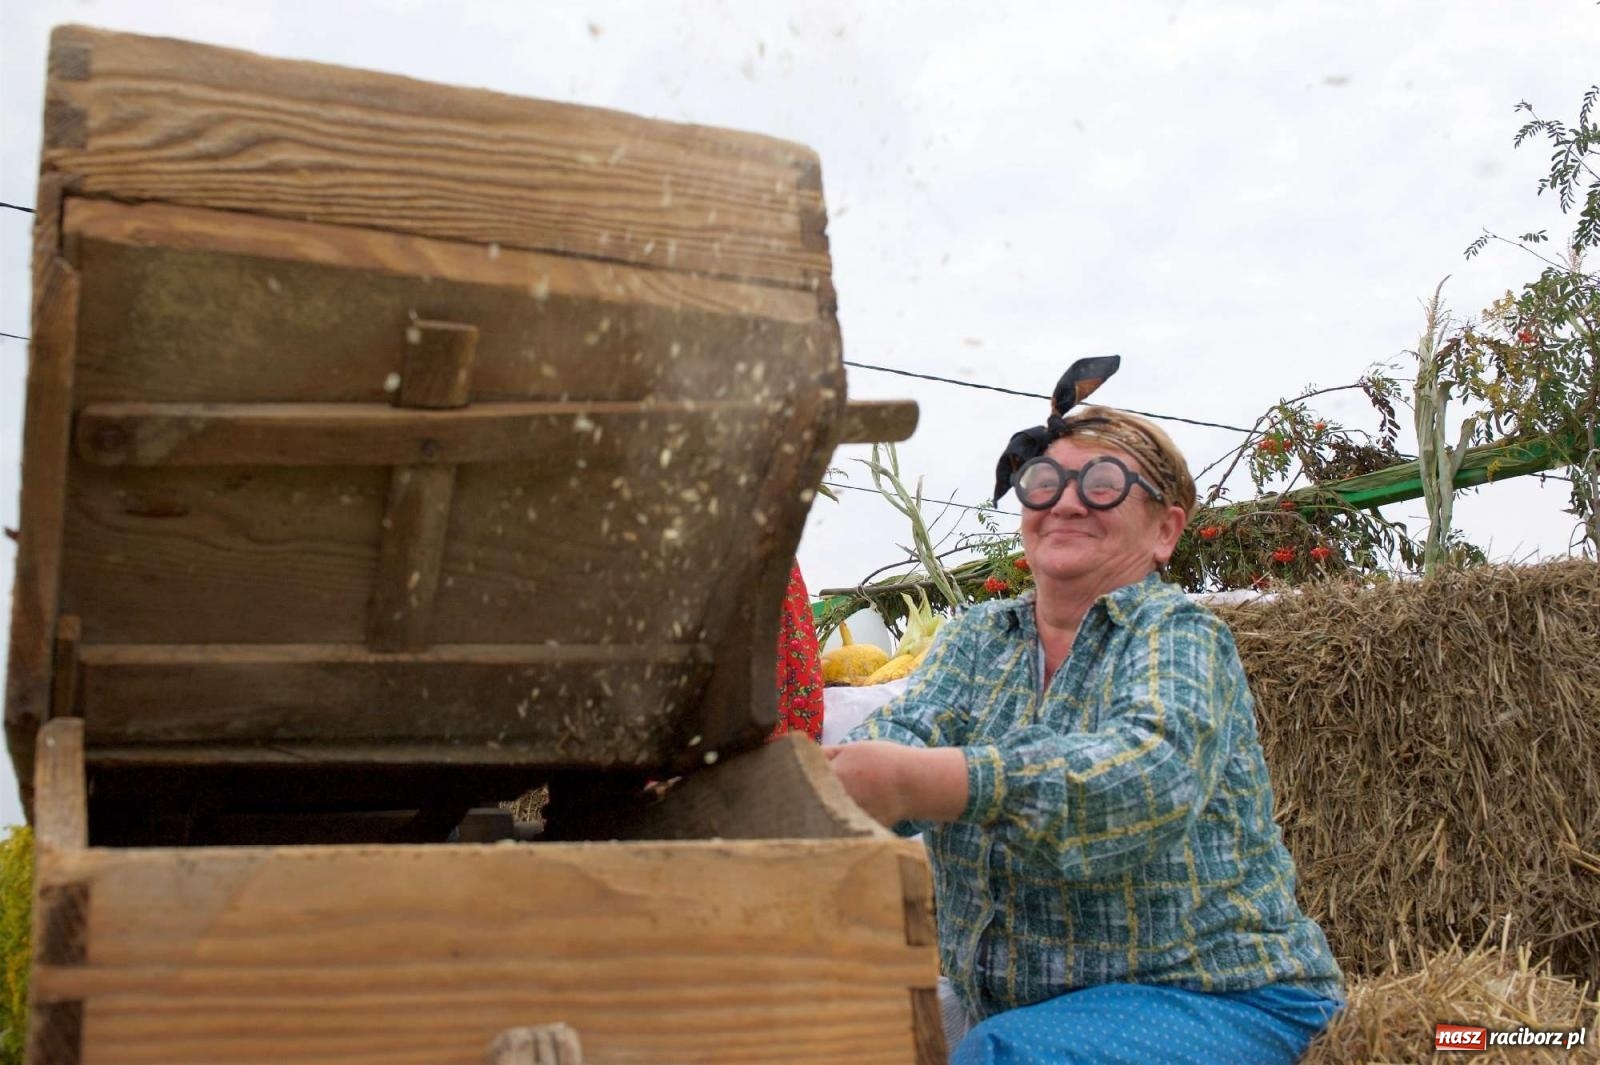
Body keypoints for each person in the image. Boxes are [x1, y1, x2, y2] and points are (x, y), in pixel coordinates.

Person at [825, 358, 1344, 1065]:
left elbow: (1146, 778)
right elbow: (905, 733)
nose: (1065, 502)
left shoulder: (1176, 635)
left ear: (1164, 530)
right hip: (1037, 1016)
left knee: (1006, 1056)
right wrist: (826, 785)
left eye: (1102, 485)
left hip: (1221, 997)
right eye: (1045, 482)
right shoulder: (979, 638)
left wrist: (936, 782)